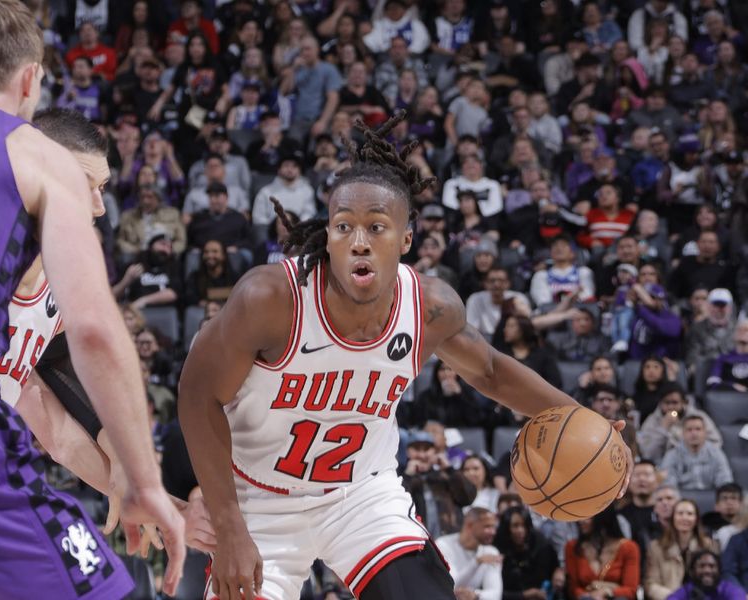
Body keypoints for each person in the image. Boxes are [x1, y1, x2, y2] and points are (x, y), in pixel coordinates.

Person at [178, 113, 633, 599]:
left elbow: (491, 369)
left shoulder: (431, 308)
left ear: (406, 239)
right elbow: (196, 396)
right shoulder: (271, 299)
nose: (359, 243)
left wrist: (586, 422)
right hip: (259, 499)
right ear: (328, 236)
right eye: (343, 227)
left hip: (361, 497)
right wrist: (228, 527)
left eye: (377, 227)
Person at [0, 1, 185, 596]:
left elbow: (42, 414)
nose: (98, 205)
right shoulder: (29, 150)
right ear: (29, 81)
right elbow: (98, 332)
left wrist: (111, 481)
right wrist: (142, 479)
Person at [565, 506, 640, 600]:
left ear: (603, 516)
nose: (581, 521)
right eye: (580, 516)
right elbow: (573, 589)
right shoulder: (572, 547)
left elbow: (631, 590)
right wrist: (593, 596)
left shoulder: (629, 548)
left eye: (589, 516)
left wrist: (607, 591)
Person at [645, 499, 716, 600]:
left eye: (690, 514)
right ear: (673, 517)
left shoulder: (708, 545)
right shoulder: (656, 547)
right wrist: (675, 597)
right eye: (680, 513)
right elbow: (650, 584)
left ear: (696, 519)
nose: (684, 518)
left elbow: (714, 580)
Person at [637, 383, 722, 463]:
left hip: (696, 463)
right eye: (667, 403)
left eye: (675, 402)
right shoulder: (652, 420)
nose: (670, 407)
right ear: (660, 403)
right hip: (662, 468)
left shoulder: (699, 417)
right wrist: (663, 429)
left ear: (684, 402)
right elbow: (647, 453)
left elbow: (715, 443)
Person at [494, 506, 561, 600]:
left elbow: (555, 567)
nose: (521, 530)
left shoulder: (540, 543)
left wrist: (558, 573)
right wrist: (524, 595)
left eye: (524, 525)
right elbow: (493, 593)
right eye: (515, 526)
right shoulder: (497, 547)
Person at [436, 507, 504, 600]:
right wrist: (476, 562)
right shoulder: (443, 544)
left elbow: (496, 594)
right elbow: (451, 585)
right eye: (487, 526)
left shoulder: (491, 552)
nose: (493, 532)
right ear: (470, 525)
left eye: (494, 527)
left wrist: (475, 595)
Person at [659, 415, 733, 491]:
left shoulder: (716, 453)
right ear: (683, 433)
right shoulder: (672, 455)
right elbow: (668, 485)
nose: (694, 433)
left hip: (710, 498)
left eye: (698, 429)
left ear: (705, 432)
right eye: (689, 430)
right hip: (682, 499)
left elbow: (725, 482)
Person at [667, 549, 744, 600]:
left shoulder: (729, 589)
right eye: (701, 566)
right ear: (692, 571)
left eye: (712, 566)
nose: (707, 570)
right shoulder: (686, 590)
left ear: (719, 570)